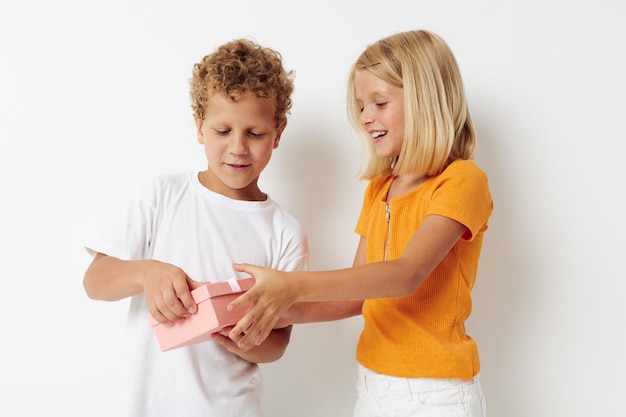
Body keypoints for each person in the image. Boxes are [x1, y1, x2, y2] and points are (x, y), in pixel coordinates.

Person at [227, 30, 493, 417]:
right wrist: (264, 311)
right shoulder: (380, 188)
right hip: (372, 387)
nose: (366, 117)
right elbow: (354, 295)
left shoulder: (463, 180)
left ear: (425, 101)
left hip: (436, 395)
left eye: (380, 103)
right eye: (361, 106)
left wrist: (290, 285)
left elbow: (406, 275)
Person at [82, 38, 309, 417]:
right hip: (144, 405)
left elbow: (278, 343)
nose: (238, 147)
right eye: (222, 131)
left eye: (255, 134)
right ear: (199, 127)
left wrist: (237, 335)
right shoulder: (162, 195)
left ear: (278, 133)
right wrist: (146, 272)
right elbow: (95, 281)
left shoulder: (285, 231)